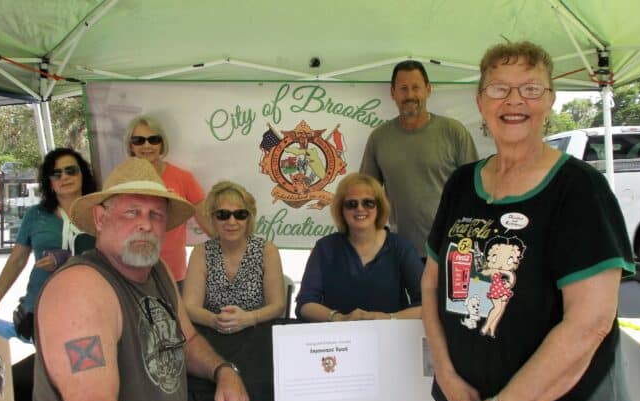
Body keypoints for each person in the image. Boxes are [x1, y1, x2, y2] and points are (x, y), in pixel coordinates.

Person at [421, 41, 636, 401]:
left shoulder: (579, 189)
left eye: (531, 89)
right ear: (480, 101)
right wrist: (447, 376)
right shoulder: (462, 184)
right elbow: (433, 283)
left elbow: (590, 323)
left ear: (551, 99)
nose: (514, 100)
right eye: (499, 88)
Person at [20, 158, 249, 401]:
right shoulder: (79, 288)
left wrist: (223, 370)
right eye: (132, 212)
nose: (145, 224)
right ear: (101, 219)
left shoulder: (159, 271)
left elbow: (187, 339)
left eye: (156, 214)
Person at [360, 60, 478, 260]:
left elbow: (474, 191)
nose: (410, 95)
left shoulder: (453, 132)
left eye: (416, 87)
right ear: (393, 93)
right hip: (400, 252)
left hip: (449, 250)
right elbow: (365, 193)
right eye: (403, 88)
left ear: (428, 89)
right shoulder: (379, 138)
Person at [0, 147, 97, 340]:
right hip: (42, 307)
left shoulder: (100, 212)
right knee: (50, 366)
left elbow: (112, 256)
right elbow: (16, 261)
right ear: (49, 183)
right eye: (56, 174)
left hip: (90, 306)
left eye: (71, 170)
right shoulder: (36, 215)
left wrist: (65, 258)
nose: (64, 177)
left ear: (83, 174)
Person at [296, 173, 423, 322]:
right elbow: (305, 304)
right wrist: (340, 318)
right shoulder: (325, 248)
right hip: (339, 340)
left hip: (390, 338)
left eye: (368, 203)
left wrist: (388, 318)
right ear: (341, 210)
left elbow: (428, 304)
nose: (360, 209)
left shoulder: (401, 247)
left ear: (379, 207)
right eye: (351, 204)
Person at [183, 181, 285, 332]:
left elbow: (278, 305)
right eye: (223, 215)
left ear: (249, 218)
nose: (232, 221)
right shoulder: (201, 252)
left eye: (240, 214)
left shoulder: (267, 251)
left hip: (256, 332)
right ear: (212, 218)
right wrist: (215, 321)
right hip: (212, 333)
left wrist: (250, 318)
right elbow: (190, 307)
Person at [125, 115, 210, 290]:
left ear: (162, 144)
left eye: (153, 139)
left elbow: (208, 222)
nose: (147, 145)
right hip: (130, 271)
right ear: (130, 146)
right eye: (139, 140)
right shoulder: (119, 180)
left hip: (174, 274)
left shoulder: (183, 178)